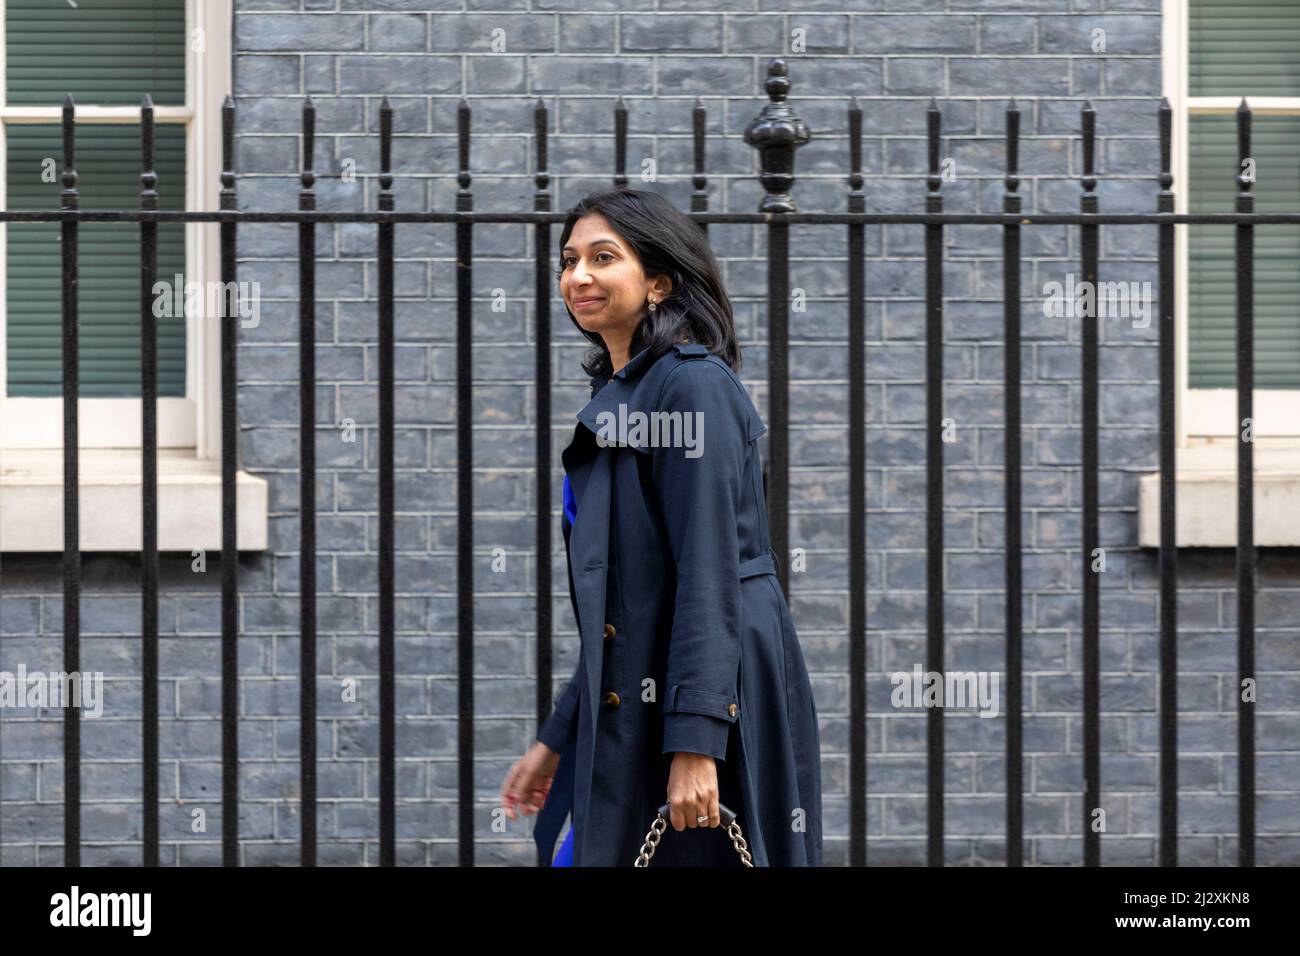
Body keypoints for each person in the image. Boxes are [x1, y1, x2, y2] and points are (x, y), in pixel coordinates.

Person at [498, 187, 822, 867]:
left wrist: (698, 747)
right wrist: (557, 736)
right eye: (568, 260)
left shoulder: (691, 388)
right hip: (645, 695)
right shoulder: (623, 396)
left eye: (603, 257)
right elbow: (625, 603)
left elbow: (708, 575)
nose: (577, 276)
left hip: (709, 700)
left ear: (659, 283)